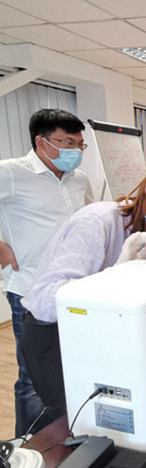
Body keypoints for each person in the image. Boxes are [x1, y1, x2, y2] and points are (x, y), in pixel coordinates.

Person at [20, 156, 146, 427]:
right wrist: (114, 275)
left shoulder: (145, 238)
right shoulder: (97, 220)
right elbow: (49, 299)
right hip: (51, 332)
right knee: (67, 417)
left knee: (98, 413)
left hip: (91, 331)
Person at [0, 109, 93, 436]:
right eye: (67, 143)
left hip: (74, 290)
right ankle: (27, 446)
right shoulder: (11, 172)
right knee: (32, 378)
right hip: (29, 291)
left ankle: (64, 437)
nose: (76, 151)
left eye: (80, 145)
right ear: (41, 142)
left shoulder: (79, 179)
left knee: (70, 368)